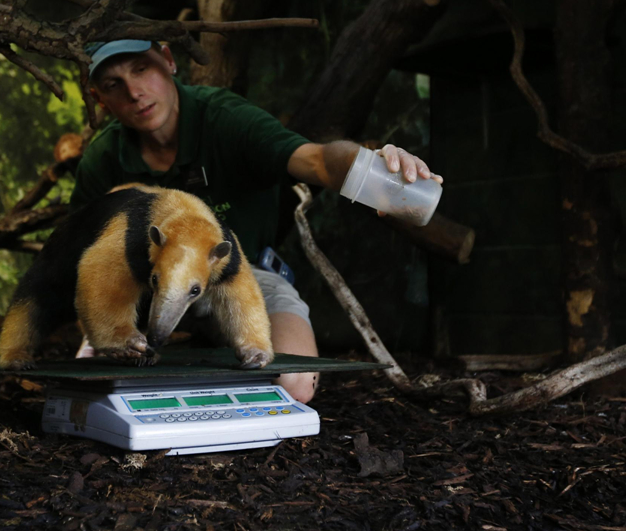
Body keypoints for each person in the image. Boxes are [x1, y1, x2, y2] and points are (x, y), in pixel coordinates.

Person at [68, 40, 442, 403]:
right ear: (98, 98)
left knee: (295, 384)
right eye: (114, 84)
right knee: (96, 381)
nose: (134, 93)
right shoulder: (103, 160)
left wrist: (372, 164)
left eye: (141, 69)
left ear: (168, 59)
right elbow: (83, 262)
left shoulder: (226, 119)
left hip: (243, 277)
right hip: (143, 285)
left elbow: (316, 160)